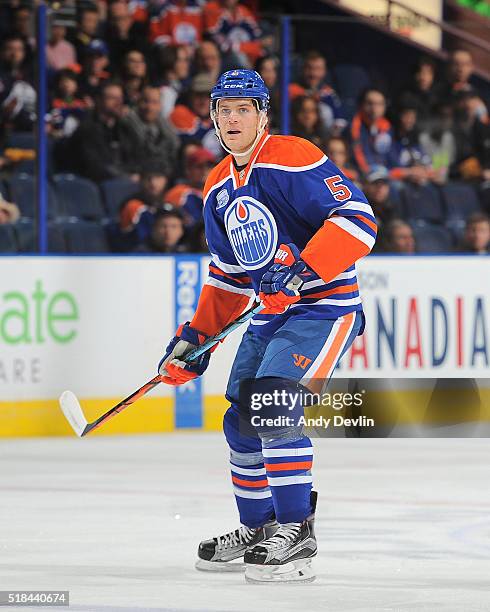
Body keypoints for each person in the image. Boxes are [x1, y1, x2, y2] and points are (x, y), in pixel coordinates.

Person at [157, 69, 377, 584]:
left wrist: (303, 270)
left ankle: (297, 530)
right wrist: (194, 339)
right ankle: (260, 528)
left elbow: (358, 219)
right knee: (240, 420)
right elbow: (231, 277)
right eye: (222, 110)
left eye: (242, 109)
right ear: (212, 117)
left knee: (274, 405)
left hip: (325, 307)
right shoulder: (215, 187)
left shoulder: (291, 156)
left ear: (262, 114)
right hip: (273, 312)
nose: (231, 119)